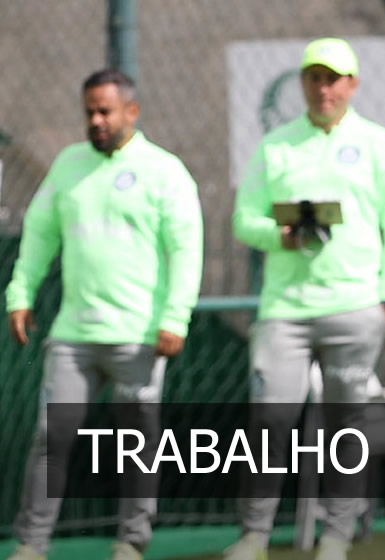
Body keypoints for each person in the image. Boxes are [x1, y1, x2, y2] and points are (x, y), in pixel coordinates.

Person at [224, 38, 385, 560]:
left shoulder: (379, 145)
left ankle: (336, 537)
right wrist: (280, 236)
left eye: (334, 77)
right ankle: (254, 537)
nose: (324, 87)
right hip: (284, 312)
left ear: (353, 85)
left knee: (346, 427)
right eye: (314, 76)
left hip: (356, 310)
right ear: (302, 83)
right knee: (269, 422)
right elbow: (244, 220)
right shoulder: (276, 146)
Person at [4, 68, 204, 560]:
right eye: (89, 111)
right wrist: (20, 292)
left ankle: (131, 543)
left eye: (105, 111)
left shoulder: (164, 171)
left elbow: (186, 248)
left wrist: (175, 318)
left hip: (139, 337)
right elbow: (38, 233)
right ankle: (31, 545)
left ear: (131, 112)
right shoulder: (68, 165)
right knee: (51, 439)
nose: (95, 120)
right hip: (73, 335)